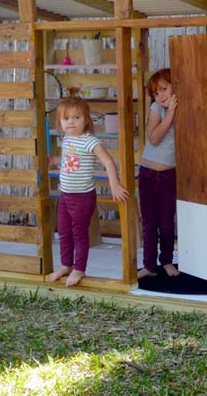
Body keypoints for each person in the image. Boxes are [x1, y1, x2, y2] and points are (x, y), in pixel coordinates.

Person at [48, 97, 129, 287]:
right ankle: (65, 265)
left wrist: (114, 185)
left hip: (82, 197)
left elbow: (108, 161)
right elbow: (71, 159)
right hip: (65, 195)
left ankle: (79, 268)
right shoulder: (67, 139)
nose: (71, 122)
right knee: (64, 232)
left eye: (76, 118)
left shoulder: (90, 141)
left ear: (86, 121)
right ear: (60, 122)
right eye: (66, 118)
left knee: (79, 233)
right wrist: (54, 161)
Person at [137, 69, 180, 279]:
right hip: (147, 174)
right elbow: (153, 138)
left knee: (166, 222)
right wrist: (169, 115)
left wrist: (175, 113)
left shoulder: (183, 108)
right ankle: (149, 265)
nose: (160, 95)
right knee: (149, 222)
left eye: (164, 89)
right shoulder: (157, 109)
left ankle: (166, 261)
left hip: (168, 176)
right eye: (155, 92)